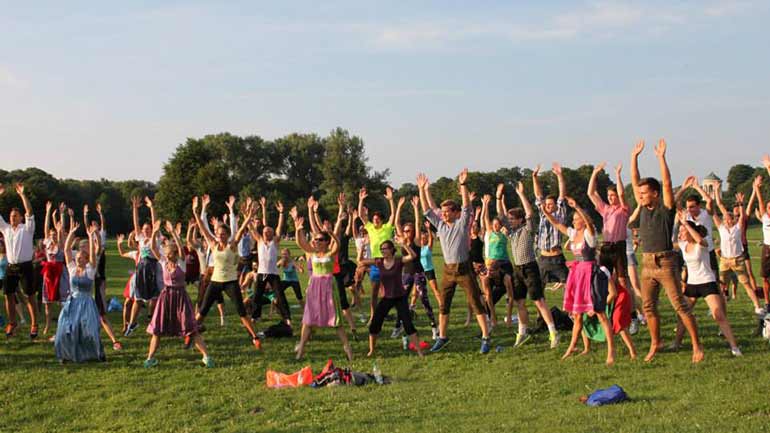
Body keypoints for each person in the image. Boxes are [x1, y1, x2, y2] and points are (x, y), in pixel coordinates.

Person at [630, 139, 703, 363]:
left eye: (645, 193)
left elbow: (668, 183)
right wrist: (634, 158)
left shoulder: (666, 209)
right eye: (639, 193)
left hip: (666, 263)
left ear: (655, 193)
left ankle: (696, 347)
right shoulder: (642, 208)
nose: (640, 196)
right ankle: (655, 343)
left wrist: (661, 158)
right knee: (648, 307)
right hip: (647, 264)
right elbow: (634, 181)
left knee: (680, 305)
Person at [541, 197, 627, 365]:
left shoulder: (589, 234)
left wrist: (578, 207)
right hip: (577, 274)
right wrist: (546, 213)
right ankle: (571, 347)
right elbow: (558, 225)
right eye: (573, 220)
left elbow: (588, 223)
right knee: (577, 315)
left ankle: (611, 351)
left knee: (601, 314)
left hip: (590, 274)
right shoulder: (573, 234)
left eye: (576, 219)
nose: (574, 222)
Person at [417, 169, 491, 353]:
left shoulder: (462, 223)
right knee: (444, 304)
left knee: (476, 302)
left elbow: (466, 207)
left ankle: (486, 337)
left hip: (464, 269)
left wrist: (463, 185)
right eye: (441, 212)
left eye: (446, 211)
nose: (443, 214)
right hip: (448, 271)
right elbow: (426, 210)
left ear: (455, 212)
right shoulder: (440, 225)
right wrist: (422, 190)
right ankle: (442, 337)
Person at [496, 182, 560, 348]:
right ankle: (522, 333)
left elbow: (530, 213)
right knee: (520, 303)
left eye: (512, 219)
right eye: (509, 219)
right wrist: (498, 197)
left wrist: (521, 195)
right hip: (517, 269)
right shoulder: (511, 232)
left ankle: (553, 333)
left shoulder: (527, 229)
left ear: (520, 220)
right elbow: (501, 216)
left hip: (530, 268)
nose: (509, 222)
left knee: (539, 301)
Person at [193, 196, 261, 350]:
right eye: (219, 233)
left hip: (231, 282)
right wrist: (196, 213)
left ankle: (254, 336)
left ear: (227, 234)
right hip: (215, 281)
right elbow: (203, 228)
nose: (221, 236)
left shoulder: (232, 244)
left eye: (223, 234)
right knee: (203, 310)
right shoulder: (213, 243)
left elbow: (241, 229)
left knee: (241, 311)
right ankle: (190, 334)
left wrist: (249, 217)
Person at [143, 220, 213, 368]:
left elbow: (181, 248)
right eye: (166, 254)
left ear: (175, 254)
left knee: (191, 329)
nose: (167, 256)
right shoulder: (163, 262)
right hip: (166, 297)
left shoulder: (181, 262)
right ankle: (150, 358)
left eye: (170, 254)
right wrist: (155, 231)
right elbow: (153, 248)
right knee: (157, 330)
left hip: (181, 297)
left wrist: (174, 233)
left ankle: (207, 357)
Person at [673, 211, 742, 356]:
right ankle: (676, 344)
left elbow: (699, 240)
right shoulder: (683, 244)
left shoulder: (703, 243)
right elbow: (670, 241)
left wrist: (686, 224)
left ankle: (734, 348)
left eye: (683, 231)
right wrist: (678, 220)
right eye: (680, 231)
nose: (681, 234)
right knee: (682, 315)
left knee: (718, 315)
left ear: (691, 231)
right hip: (692, 285)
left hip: (707, 282)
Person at [290, 209, 353, 361]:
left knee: (336, 321)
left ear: (326, 242)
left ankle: (348, 351)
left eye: (319, 240)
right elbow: (301, 243)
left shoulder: (330, 253)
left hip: (328, 288)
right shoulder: (312, 253)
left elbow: (336, 245)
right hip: (314, 288)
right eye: (315, 240)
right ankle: (301, 350)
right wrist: (297, 228)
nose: (316, 242)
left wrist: (331, 234)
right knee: (308, 320)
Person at [358, 237, 424, 358]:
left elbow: (413, 256)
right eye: (381, 249)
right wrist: (363, 246)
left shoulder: (398, 261)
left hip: (400, 297)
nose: (383, 251)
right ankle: (372, 350)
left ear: (392, 249)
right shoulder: (379, 262)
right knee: (375, 324)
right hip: (387, 297)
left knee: (408, 324)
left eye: (385, 249)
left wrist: (404, 244)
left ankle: (419, 351)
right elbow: (361, 260)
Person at [54, 222, 105, 363]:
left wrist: (90, 235)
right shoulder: (71, 269)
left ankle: (95, 354)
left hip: (87, 302)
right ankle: (66, 354)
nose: (77, 260)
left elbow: (95, 253)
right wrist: (71, 232)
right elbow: (66, 251)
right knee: (65, 327)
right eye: (76, 259)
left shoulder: (90, 270)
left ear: (86, 259)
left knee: (88, 330)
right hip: (72, 302)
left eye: (80, 259)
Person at [712, 182, 764, 315]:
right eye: (726, 219)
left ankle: (757, 306)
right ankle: (720, 310)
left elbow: (741, 216)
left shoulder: (737, 228)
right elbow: (717, 207)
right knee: (722, 286)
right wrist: (717, 192)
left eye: (730, 219)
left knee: (746, 284)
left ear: (733, 220)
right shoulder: (721, 228)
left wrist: (741, 204)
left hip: (738, 260)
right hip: (724, 260)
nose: (728, 221)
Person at [392, 196, 438, 341]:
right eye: (405, 231)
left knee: (424, 300)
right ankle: (398, 326)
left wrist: (415, 208)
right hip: (406, 274)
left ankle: (434, 328)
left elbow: (418, 223)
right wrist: (398, 207)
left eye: (409, 230)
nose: (407, 232)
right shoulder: (402, 240)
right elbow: (396, 222)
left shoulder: (417, 240)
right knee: (401, 300)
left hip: (418, 273)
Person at [0, 183, 39, 339]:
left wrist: (23, 195)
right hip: (12, 266)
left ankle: (34, 324)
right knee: (8, 294)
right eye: (11, 216)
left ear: (21, 218)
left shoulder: (27, 228)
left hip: (26, 266)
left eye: (15, 215)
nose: (12, 217)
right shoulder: (6, 228)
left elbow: (29, 211)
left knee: (30, 295)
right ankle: (12, 322)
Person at [248, 197, 291, 326]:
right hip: (261, 273)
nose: (267, 232)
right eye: (265, 231)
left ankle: (286, 317)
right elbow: (251, 227)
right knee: (257, 296)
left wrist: (282, 213)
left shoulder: (275, 242)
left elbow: (279, 226)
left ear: (272, 233)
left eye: (269, 231)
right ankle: (256, 316)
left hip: (273, 274)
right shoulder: (260, 241)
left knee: (280, 296)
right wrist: (248, 214)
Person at [357, 186, 396, 322]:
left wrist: (391, 200)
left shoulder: (387, 228)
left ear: (382, 220)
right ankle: (374, 316)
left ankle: (389, 313)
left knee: (389, 293)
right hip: (375, 263)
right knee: (374, 293)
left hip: (387, 263)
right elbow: (361, 216)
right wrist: (361, 199)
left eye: (377, 218)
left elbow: (393, 215)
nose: (375, 220)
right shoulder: (370, 228)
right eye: (374, 219)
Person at [124, 196, 160, 336]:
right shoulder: (139, 238)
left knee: (153, 298)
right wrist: (135, 209)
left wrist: (152, 207)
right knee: (138, 299)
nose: (145, 230)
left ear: (152, 230)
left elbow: (155, 222)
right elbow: (135, 224)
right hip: (141, 269)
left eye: (148, 229)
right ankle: (132, 324)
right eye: (144, 229)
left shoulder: (154, 238)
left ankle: (154, 322)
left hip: (152, 269)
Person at [480, 194, 514, 329]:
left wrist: (500, 200)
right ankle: (492, 318)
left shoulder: (504, 233)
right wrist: (485, 205)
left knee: (509, 288)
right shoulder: (489, 233)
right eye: (493, 224)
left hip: (504, 263)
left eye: (497, 224)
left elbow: (504, 217)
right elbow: (485, 218)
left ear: (500, 225)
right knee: (487, 292)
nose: (495, 226)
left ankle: (509, 316)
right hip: (490, 265)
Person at [533, 163, 569, 290]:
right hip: (543, 258)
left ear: (555, 205)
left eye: (550, 204)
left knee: (568, 285)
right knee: (539, 288)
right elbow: (538, 195)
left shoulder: (560, 214)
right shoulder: (543, 214)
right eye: (546, 204)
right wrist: (535, 178)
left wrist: (559, 175)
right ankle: (541, 311)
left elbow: (562, 195)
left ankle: (569, 310)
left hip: (556, 258)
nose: (547, 206)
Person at [676, 177, 718, 277]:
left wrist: (697, 187)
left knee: (713, 278)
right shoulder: (686, 215)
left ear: (699, 206)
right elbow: (675, 201)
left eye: (692, 207)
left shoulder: (706, 214)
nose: (689, 209)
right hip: (692, 252)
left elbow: (709, 200)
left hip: (708, 250)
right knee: (688, 277)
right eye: (687, 207)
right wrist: (684, 188)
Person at [41, 201, 69, 337]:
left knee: (62, 301)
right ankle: (47, 324)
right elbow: (46, 228)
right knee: (47, 302)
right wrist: (47, 212)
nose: (52, 236)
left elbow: (61, 231)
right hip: (48, 273)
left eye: (54, 235)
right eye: (51, 235)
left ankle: (63, 323)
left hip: (60, 273)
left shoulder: (60, 244)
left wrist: (62, 214)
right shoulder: (46, 243)